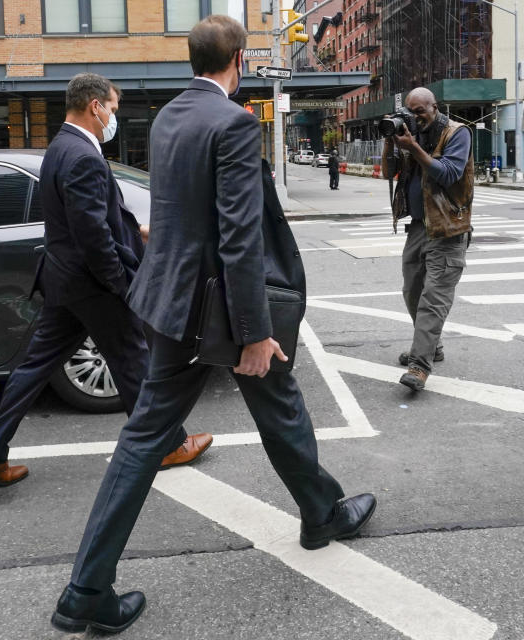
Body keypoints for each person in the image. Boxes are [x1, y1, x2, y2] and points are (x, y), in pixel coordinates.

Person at [50, 16, 376, 634]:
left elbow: (181, 212)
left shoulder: (170, 116)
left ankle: (86, 589)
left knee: (149, 437)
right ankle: (321, 514)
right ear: (241, 61)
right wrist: (254, 332)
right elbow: (239, 236)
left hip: (170, 305)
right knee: (277, 400)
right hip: (222, 311)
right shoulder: (232, 122)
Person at [0, 73, 211, 487]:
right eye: (112, 108)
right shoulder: (82, 157)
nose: (113, 116)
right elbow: (92, 236)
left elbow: (92, 220)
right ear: (95, 106)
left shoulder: (60, 147)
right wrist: (122, 285)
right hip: (93, 284)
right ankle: (168, 443)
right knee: (135, 361)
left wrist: (136, 232)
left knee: (35, 366)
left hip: (65, 281)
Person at [382, 87, 473, 392]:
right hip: (419, 227)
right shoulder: (412, 133)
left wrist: (414, 148)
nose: (415, 117)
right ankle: (432, 346)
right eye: (410, 111)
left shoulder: (457, 133)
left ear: (435, 107)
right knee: (412, 292)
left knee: (433, 300)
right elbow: (388, 172)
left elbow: (448, 173)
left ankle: (419, 366)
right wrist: (390, 142)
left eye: (420, 111)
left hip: (448, 228)